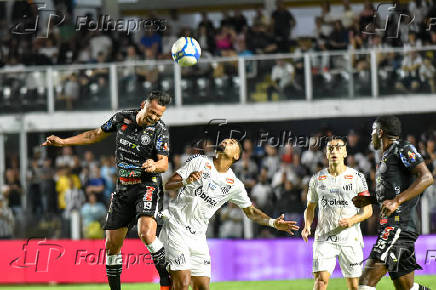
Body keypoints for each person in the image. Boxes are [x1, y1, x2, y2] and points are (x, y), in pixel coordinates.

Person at [42, 90, 172, 290]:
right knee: (111, 247)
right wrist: (63, 142)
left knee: (145, 233)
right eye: (152, 112)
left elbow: (164, 163)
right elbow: (94, 135)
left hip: (147, 185)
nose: (153, 118)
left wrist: (154, 165)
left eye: (158, 115)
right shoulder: (122, 118)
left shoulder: (160, 129)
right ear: (143, 103)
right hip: (122, 188)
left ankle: (166, 280)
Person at [162, 138, 299, 290]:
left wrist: (273, 222)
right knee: (182, 283)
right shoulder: (199, 161)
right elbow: (169, 184)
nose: (226, 142)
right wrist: (186, 181)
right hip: (176, 228)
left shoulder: (235, 184)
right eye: (224, 141)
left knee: (202, 287)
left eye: (231, 142)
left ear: (236, 156)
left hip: (198, 237)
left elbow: (251, 212)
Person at [353, 116, 434, 290]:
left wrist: (397, 201)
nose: (371, 135)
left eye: (373, 131)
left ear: (380, 132)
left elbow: (427, 177)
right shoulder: (387, 156)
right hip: (395, 226)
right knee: (406, 287)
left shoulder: (402, 148)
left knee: (365, 281)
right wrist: (370, 199)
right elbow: (391, 194)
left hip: (399, 226)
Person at [302, 138, 373, 290]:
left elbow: (368, 211)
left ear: (345, 152)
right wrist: (307, 225)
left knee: (354, 286)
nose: (334, 151)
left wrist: (352, 221)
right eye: (331, 148)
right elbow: (310, 207)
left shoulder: (356, 177)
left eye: (339, 148)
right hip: (324, 237)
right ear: (326, 154)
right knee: (321, 281)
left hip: (350, 238)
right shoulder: (316, 179)